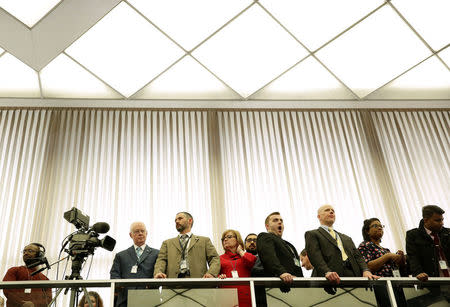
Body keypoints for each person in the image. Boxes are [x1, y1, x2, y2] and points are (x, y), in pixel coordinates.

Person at [305, 205, 378, 283]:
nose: (331, 211)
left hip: (354, 277)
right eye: (327, 210)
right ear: (319, 216)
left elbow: (358, 257)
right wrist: (326, 272)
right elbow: (315, 256)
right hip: (330, 279)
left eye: (333, 210)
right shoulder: (313, 234)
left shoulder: (347, 238)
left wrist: (365, 270)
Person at [154, 212, 220, 278]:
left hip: (198, 283)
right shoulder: (167, 243)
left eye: (180, 218)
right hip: (173, 284)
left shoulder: (204, 241)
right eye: (175, 220)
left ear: (190, 221)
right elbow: (161, 260)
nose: (177, 221)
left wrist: (211, 273)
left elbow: (214, 258)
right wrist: (158, 272)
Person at [406, 205, 449, 305]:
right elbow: (413, 256)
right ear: (426, 220)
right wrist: (418, 272)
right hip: (432, 283)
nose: (442, 223)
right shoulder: (413, 235)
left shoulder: (448, 233)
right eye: (437, 220)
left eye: (442, 220)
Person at [358, 218, 407, 307]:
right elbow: (368, 266)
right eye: (375, 226)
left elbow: (399, 268)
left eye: (381, 226)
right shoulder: (364, 245)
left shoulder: (385, 249)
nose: (380, 228)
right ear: (367, 231)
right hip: (381, 285)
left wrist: (401, 259)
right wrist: (388, 256)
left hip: (396, 285)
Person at [110, 222, 159, 307]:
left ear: (146, 233)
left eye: (142, 231)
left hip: (150, 299)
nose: (140, 233)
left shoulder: (156, 253)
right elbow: (114, 276)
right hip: (126, 300)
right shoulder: (120, 255)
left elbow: (159, 273)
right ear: (130, 235)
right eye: (136, 231)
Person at [257, 212, 303, 285]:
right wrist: (281, 272)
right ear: (267, 226)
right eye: (275, 220)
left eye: (281, 220)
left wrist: (301, 281)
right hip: (276, 284)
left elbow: (297, 265)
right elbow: (269, 257)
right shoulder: (265, 236)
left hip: (294, 284)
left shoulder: (290, 245)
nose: (279, 222)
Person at [2, 243, 52, 307]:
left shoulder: (45, 279)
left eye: (30, 251)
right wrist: (22, 303)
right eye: (24, 251)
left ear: (39, 255)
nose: (26, 253)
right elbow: (7, 290)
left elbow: (48, 299)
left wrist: (34, 304)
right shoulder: (14, 270)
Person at [218, 230, 257, 307]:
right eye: (223, 238)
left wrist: (240, 251)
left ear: (237, 240)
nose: (225, 240)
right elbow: (215, 275)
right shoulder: (219, 258)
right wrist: (220, 276)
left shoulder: (245, 256)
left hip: (245, 295)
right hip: (227, 295)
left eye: (229, 237)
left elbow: (252, 261)